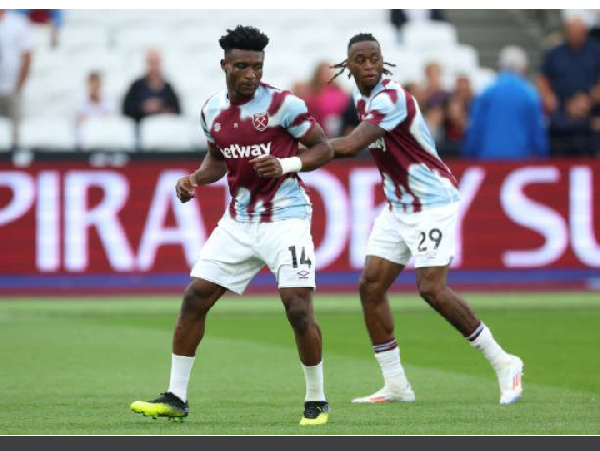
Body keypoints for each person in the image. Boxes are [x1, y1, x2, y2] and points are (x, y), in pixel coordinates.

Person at [130, 25, 334, 426]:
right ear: (224, 65)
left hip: (286, 217)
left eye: (256, 66)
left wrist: (286, 164)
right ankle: (175, 397)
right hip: (239, 221)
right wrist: (195, 179)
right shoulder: (211, 110)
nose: (250, 74)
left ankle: (316, 398)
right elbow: (219, 161)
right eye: (241, 66)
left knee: (297, 308)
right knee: (194, 298)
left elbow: (324, 148)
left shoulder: (283, 105)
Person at [328, 33, 524, 405]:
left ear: (383, 61)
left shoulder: (392, 98)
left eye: (375, 58)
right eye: (361, 59)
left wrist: (293, 153)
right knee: (370, 286)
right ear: (348, 66)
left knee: (431, 288)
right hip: (399, 207)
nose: (369, 65)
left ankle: (505, 362)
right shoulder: (361, 99)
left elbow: (351, 146)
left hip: (432, 201)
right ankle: (396, 384)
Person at [464, 46, 548, 159]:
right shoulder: (530, 95)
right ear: (523, 68)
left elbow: (475, 130)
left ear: (501, 66)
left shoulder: (487, 92)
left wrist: (468, 157)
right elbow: (537, 135)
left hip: (487, 160)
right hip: (519, 161)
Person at [538, 14, 600, 157]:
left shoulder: (596, 52)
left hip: (589, 120)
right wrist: (548, 97)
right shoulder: (555, 53)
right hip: (561, 119)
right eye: (572, 31)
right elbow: (542, 78)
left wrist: (587, 101)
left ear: (585, 32)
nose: (575, 35)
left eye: (579, 31)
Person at [122, 48, 182, 124]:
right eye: (151, 63)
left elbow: (178, 111)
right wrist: (143, 108)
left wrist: (162, 110)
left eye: (156, 63)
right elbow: (126, 110)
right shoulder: (136, 87)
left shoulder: (168, 88)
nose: (154, 66)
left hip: (165, 129)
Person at [0, 9, 32, 148]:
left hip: (12, 87)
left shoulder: (17, 23)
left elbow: (27, 55)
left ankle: (14, 163)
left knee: (15, 133)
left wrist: (19, 84)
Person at [294, 61, 350, 138]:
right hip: (320, 130)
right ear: (318, 75)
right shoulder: (312, 93)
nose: (328, 75)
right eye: (325, 73)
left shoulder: (337, 89)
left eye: (329, 72)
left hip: (340, 126)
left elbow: (346, 102)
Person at [75, 71, 114, 146]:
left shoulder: (109, 102)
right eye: (92, 85)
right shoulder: (81, 103)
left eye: (96, 85)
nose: (94, 88)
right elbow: (80, 123)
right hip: (86, 141)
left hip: (105, 139)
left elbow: (108, 121)